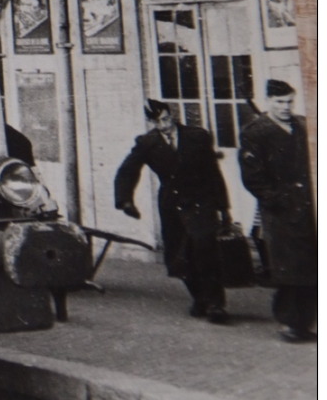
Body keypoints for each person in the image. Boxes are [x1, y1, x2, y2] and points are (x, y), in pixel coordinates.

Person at [114, 100, 233, 323]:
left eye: (167, 119)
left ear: (172, 115)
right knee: (179, 256)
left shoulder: (197, 137)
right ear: (151, 122)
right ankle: (200, 298)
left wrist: (223, 207)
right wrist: (125, 200)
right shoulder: (147, 143)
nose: (164, 125)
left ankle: (216, 304)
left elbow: (213, 172)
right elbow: (127, 171)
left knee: (204, 249)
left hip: (201, 200)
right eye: (158, 121)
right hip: (172, 204)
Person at [239, 80, 316, 343]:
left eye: (289, 102)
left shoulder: (302, 124)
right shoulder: (256, 132)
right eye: (280, 102)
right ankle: (290, 323)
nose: (285, 107)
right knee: (289, 268)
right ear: (269, 101)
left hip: (309, 207)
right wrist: (278, 199)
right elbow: (253, 178)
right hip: (281, 211)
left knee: (310, 266)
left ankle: (306, 321)